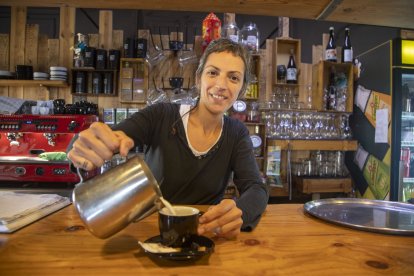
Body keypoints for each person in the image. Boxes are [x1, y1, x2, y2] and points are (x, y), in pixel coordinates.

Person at [67, 38, 269, 239]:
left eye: (233, 78)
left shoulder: (236, 133)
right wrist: (86, 146)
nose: (221, 85)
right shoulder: (161, 115)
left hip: (202, 234)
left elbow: (256, 188)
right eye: (213, 73)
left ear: (241, 89)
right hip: (147, 232)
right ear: (199, 79)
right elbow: (112, 137)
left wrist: (240, 213)